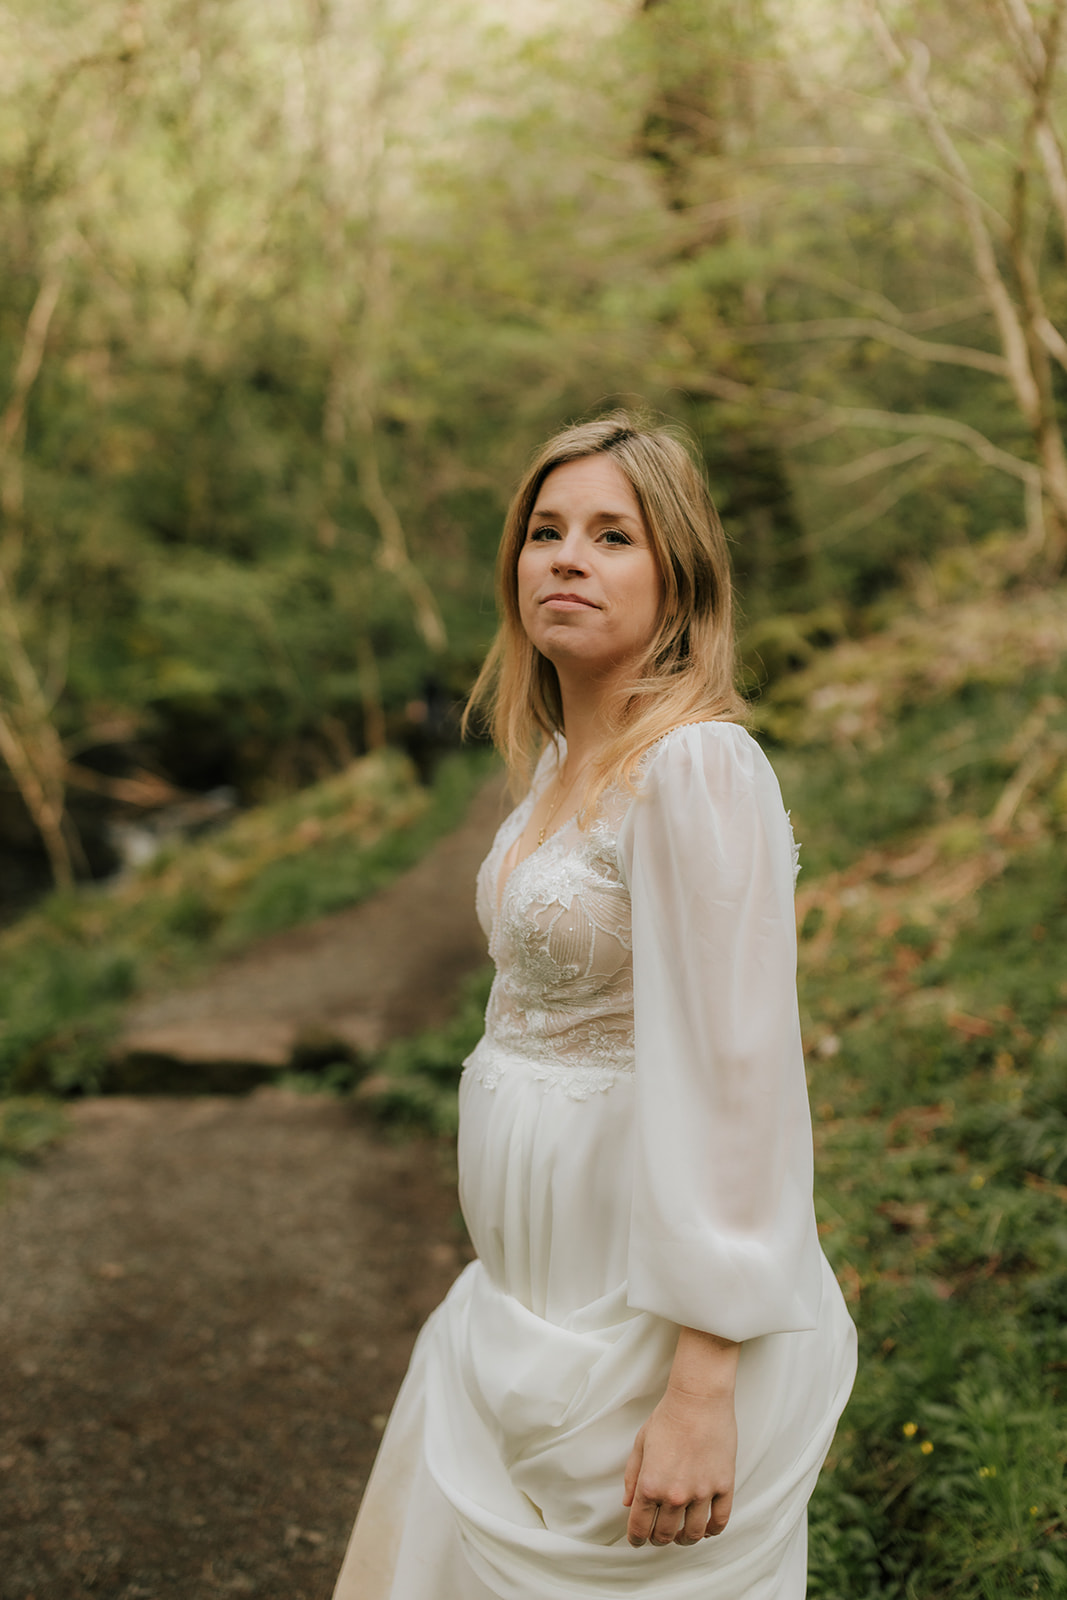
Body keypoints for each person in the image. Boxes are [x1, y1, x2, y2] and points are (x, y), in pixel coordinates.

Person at [332, 411, 857, 1600]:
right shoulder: (552, 776)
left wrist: (699, 1387)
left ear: (677, 582)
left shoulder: (695, 768)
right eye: (545, 529)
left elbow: (739, 1078)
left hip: (647, 1335)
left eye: (611, 535)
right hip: (518, 1309)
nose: (564, 556)